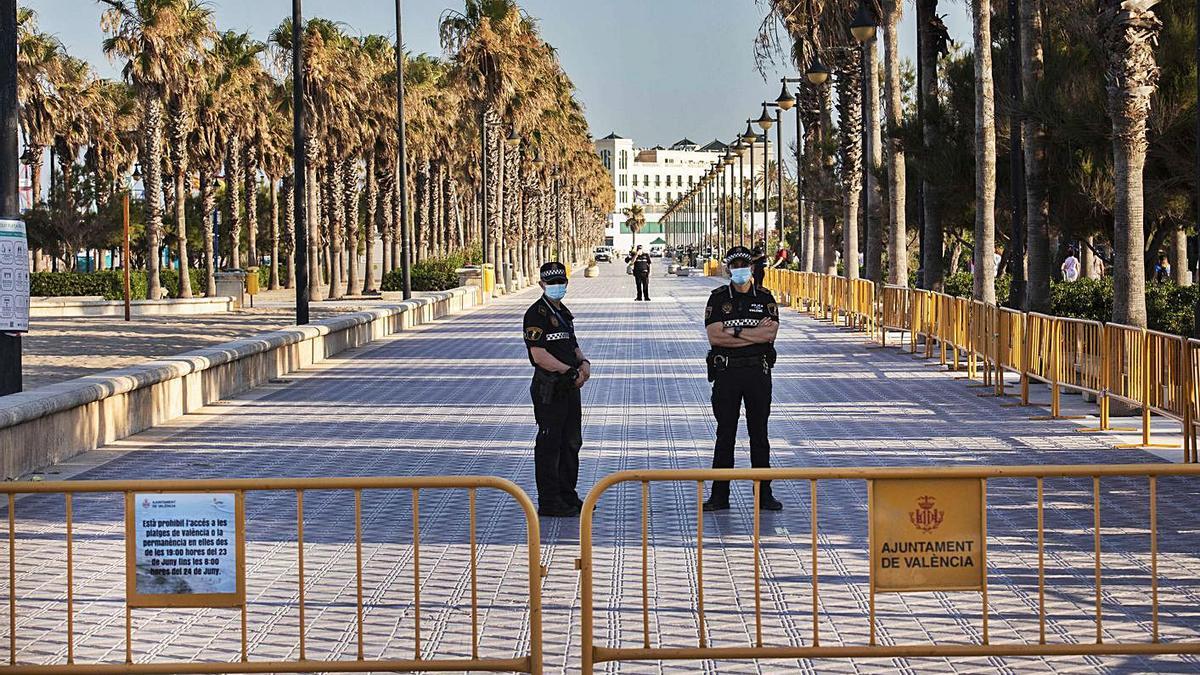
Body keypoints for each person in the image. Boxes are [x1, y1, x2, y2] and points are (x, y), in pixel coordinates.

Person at [703, 246, 783, 512]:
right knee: (725, 434)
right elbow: (715, 336)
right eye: (735, 266)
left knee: (759, 434)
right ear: (728, 269)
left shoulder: (764, 297)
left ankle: (764, 494)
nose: (740, 270)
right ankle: (719, 495)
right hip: (727, 373)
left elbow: (769, 335)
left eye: (744, 265)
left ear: (751, 268)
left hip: (757, 373)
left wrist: (734, 331)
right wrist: (750, 333)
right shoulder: (717, 299)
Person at [523, 262, 592, 517]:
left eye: (560, 282)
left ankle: (568, 494)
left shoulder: (564, 312)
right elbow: (539, 355)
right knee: (550, 445)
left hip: (569, 387)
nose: (557, 287)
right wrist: (568, 371)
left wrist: (583, 362)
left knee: (571, 442)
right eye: (551, 283)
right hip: (549, 388)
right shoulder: (536, 314)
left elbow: (572, 345)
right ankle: (550, 500)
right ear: (542, 285)